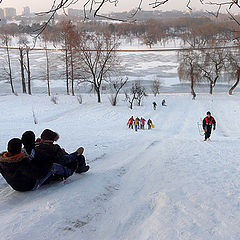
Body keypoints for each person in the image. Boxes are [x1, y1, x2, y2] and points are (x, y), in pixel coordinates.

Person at [0, 138, 75, 192]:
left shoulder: (2, 161)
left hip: (15, 186)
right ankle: (69, 171)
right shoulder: (21, 162)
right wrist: (47, 165)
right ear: (19, 149)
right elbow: (38, 174)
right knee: (53, 167)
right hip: (28, 186)